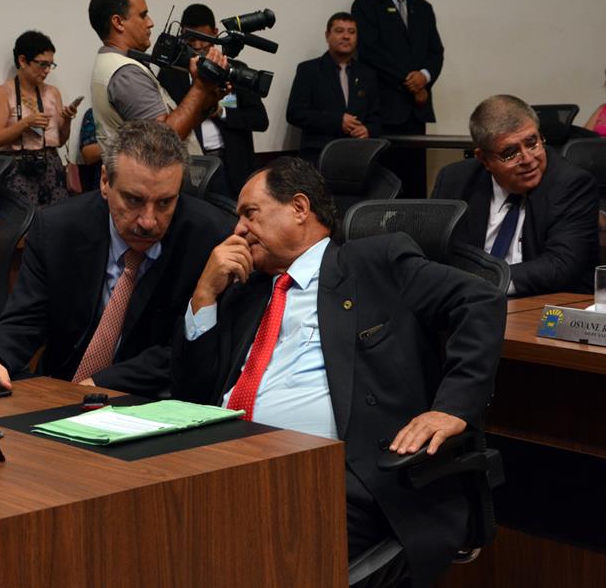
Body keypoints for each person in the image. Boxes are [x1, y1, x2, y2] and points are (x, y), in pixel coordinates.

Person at [174, 156, 505, 586]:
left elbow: (479, 301)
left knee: (228, 550)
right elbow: (192, 393)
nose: (238, 230)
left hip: (343, 480)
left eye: (249, 214)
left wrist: (453, 407)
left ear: (299, 208)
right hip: (230, 467)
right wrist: (204, 295)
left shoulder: (373, 261)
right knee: (159, 523)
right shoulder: (247, 290)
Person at [0, 120, 233, 396]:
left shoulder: (209, 239)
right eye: (134, 200)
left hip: (147, 402)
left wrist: (98, 385)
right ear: (105, 181)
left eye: (165, 202)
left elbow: (184, 349)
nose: (148, 221)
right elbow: (25, 320)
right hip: (57, 393)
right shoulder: (58, 229)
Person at [431, 95, 600, 296]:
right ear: (484, 159)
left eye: (532, 143)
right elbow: (433, 251)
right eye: (510, 153)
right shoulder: (455, 180)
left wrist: (483, 282)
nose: (528, 159)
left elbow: (560, 265)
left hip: (543, 302)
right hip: (465, 301)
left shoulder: (572, 184)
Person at [87, 0, 226, 156]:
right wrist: (200, 87)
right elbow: (164, 143)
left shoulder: (112, 62)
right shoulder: (126, 74)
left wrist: (206, 102)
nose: (150, 22)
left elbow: (178, 128)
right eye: (143, 15)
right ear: (118, 22)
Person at [158, 3, 269, 196]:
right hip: (191, 165)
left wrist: (222, 111)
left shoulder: (234, 70)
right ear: (182, 35)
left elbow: (260, 120)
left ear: (216, 33)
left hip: (233, 165)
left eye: (204, 39)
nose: (197, 46)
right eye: (191, 39)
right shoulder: (170, 74)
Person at [351, 0, 444, 135]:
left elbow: (435, 51)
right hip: (383, 107)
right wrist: (412, 83)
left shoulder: (423, 8)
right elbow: (370, 51)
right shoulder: (367, 4)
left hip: (417, 109)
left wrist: (424, 77)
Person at [0, 30, 77, 207]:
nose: (47, 70)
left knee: (56, 219)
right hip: (17, 169)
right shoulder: (3, 93)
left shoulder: (52, 93)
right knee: (22, 220)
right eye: (43, 64)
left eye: (50, 65)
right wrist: (26, 123)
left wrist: (67, 120)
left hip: (50, 167)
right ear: (22, 60)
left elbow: (60, 141)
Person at [286, 12, 382, 164]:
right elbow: (295, 113)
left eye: (351, 32)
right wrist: (337, 121)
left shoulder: (367, 74)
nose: (346, 36)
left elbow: (376, 116)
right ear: (327, 36)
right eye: (339, 31)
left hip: (358, 156)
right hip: (319, 156)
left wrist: (368, 129)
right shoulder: (309, 70)